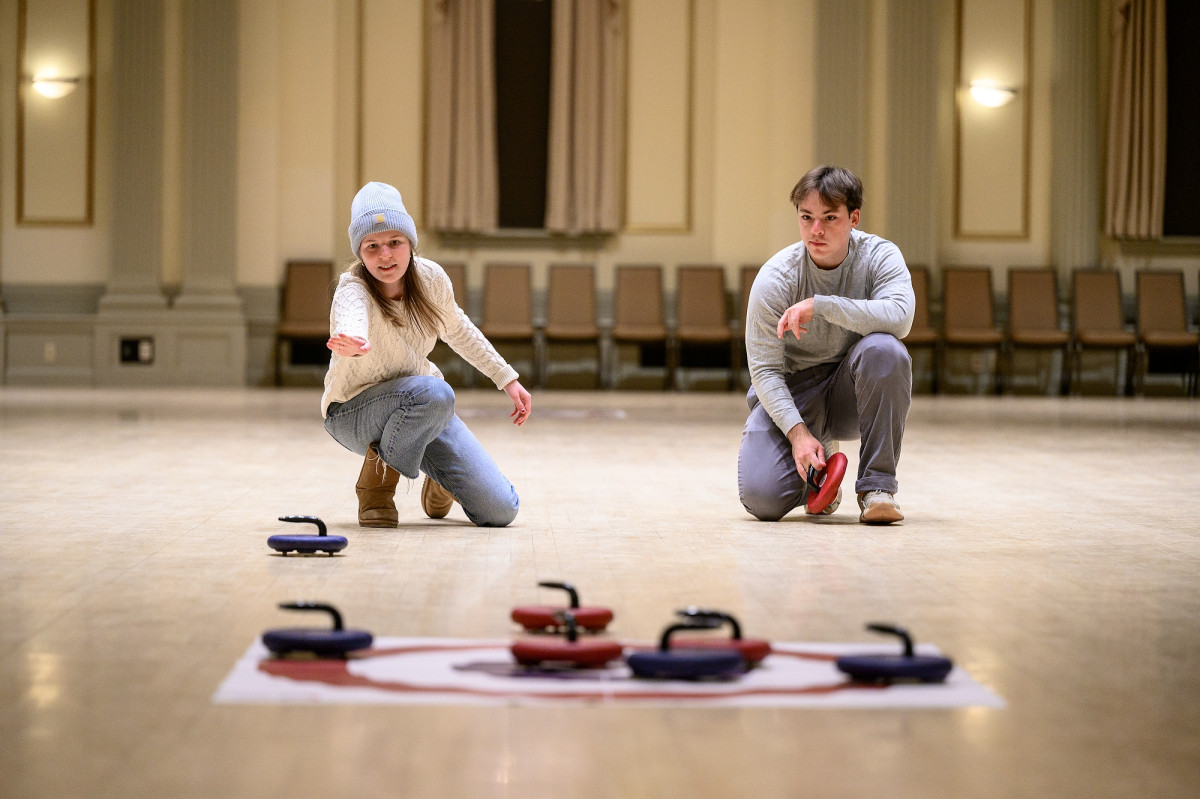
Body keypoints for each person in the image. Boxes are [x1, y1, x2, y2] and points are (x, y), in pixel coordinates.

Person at [321, 181, 531, 528]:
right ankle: (375, 491)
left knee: (501, 510)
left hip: (421, 406)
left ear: (410, 243)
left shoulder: (431, 279)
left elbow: (460, 330)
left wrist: (506, 378)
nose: (385, 255)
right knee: (435, 393)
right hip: (353, 412)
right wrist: (354, 340)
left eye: (394, 242)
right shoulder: (352, 288)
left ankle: (438, 478)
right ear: (359, 251)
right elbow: (351, 316)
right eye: (372, 246)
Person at [738, 165, 914, 524]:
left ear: (854, 218)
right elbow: (765, 371)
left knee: (886, 350)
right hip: (795, 391)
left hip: (851, 389)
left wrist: (822, 306)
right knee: (762, 500)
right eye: (807, 217)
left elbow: (901, 317)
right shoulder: (776, 278)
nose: (815, 230)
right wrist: (798, 434)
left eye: (829, 218)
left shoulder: (879, 256)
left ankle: (877, 487)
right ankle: (819, 465)